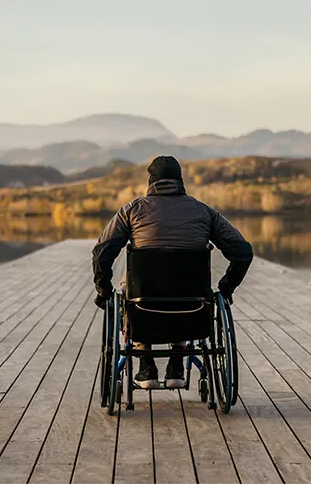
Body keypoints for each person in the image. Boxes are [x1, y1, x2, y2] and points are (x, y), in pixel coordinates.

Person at [92, 156, 253, 389]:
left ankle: (146, 367)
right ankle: (176, 365)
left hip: (142, 304)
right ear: (180, 180)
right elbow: (242, 252)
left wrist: (103, 290)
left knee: (127, 288)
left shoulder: (132, 210)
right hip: (194, 307)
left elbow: (102, 252)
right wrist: (227, 287)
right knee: (184, 288)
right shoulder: (204, 212)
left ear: (151, 181)